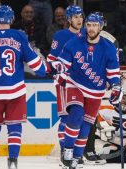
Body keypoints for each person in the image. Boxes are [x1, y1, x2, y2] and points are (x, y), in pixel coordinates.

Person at [0, 5, 63, 169]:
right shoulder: (20, 36)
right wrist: (47, 69)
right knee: (14, 129)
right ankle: (13, 163)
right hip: (15, 91)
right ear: (12, 19)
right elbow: (37, 66)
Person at [58, 13, 122, 169]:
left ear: (100, 27)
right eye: (89, 25)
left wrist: (116, 87)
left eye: (94, 25)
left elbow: (113, 72)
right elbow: (62, 62)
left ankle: (77, 156)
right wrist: (60, 72)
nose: (91, 28)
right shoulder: (74, 42)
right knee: (76, 114)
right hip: (76, 84)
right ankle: (67, 150)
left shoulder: (108, 47)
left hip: (96, 91)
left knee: (86, 125)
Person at [46, 5, 85, 159]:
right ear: (69, 19)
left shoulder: (86, 34)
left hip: (82, 84)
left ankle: (76, 152)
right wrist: (60, 76)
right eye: (75, 17)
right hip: (65, 82)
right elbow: (51, 60)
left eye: (81, 16)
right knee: (66, 118)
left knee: (79, 118)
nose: (79, 19)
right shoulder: (60, 35)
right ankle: (64, 151)